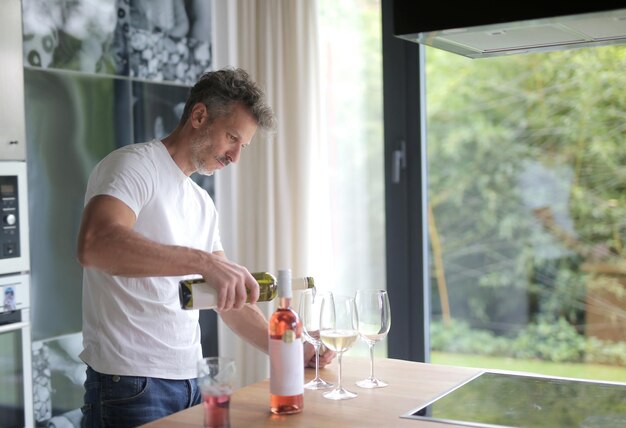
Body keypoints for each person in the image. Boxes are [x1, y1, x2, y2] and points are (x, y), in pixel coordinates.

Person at [76, 67, 335, 428]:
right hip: (129, 385)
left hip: (190, 382)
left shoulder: (200, 203)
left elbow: (229, 300)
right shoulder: (133, 166)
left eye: (241, 146)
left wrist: (291, 346)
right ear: (199, 116)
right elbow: (95, 245)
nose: (235, 157)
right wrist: (202, 262)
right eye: (232, 138)